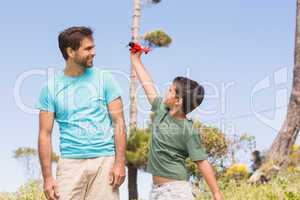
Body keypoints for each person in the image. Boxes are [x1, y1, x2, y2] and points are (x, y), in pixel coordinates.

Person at [37, 26, 126, 200]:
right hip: (70, 164)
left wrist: (120, 163)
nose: (94, 52)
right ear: (70, 51)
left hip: (104, 162)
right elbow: (44, 134)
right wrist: (47, 178)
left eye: (93, 47)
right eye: (88, 48)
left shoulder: (105, 79)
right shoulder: (50, 88)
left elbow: (119, 122)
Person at [130, 50, 224, 200]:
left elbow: (202, 162)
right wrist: (136, 60)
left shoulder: (188, 130)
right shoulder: (162, 111)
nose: (166, 91)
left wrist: (216, 193)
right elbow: (148, 85)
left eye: (170, 90)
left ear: (178, 101)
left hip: (175, 192)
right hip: (156, 191)